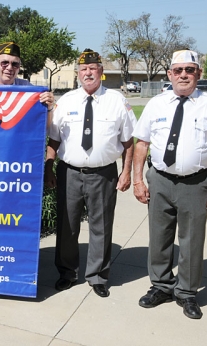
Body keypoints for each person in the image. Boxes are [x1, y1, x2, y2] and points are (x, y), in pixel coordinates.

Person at [132, 50, 207, 319]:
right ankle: (161, 286)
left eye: (190, 70)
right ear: (169, 74)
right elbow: (141, 144)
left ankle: (187, 293)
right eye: (178, 70)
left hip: (196, 183)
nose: (183, 75)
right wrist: (138, 180)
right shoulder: (156, 104)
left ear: (198, 74)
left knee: (191, 241)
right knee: (159, 238)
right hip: (160, 180)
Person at [44, 49, 136, 298]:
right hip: (69, 173)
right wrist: (49, 168)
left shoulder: (117, 101)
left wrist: (126, 173)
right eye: (83, 69)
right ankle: (67, 273)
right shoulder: (66, 101)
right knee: (67, 227)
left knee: (102, 226)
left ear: (101, 72)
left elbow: (129, 142)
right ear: (77, 73)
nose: (88, 73)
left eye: (93, 68)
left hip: (104, 174)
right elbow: (53, 139)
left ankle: (97, 276)